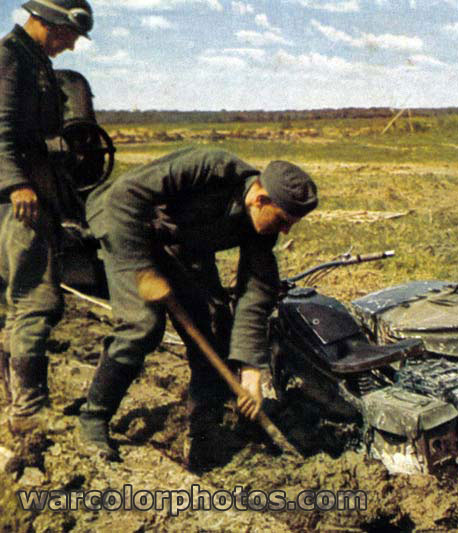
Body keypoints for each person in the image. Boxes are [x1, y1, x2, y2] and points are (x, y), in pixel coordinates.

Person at [79, 146, 318, 465]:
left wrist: (250, 370)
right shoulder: (211, 167)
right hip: (128, 227)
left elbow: (255, 294)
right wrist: (144, 268)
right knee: (143, 325)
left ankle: (203, 437)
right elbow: (126, 195)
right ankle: (93, 420)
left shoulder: (262, 229)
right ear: (260, 199)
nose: (286, 231)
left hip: (182, 250)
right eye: (283, 220)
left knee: (215, 328)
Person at [0, 0, 93, 433]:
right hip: (18, 198)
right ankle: (28, 411)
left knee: (14, 298)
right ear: (49, 22)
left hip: (31, 189)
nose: (71, 45)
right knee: (35, 297)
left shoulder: (32, 59)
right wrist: (16, 183)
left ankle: (14, 401)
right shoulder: (10, 57)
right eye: (69, 34)